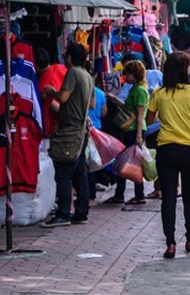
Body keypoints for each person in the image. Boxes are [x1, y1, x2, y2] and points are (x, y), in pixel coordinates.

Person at [146, 52, 190, 259]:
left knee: (168, 198)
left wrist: (161, 110)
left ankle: (170, 243)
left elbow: (150, 120)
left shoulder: (159, 93)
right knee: (189, 197)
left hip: (166, 150)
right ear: (185, 70)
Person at [40, 43, 96, 228]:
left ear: (70, 57)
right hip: (81, 131)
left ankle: (63, 213)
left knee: (63, 173)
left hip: (70, 131)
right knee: (80, 173)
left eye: (66, 55)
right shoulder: (88, 76)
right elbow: (92, 105)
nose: (64, 58)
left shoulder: (73, 73)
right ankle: (81, 212)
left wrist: (51, 92)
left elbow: (63, 97)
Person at [105, 60, 149, 205]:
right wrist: (116, 101)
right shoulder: (135, 89)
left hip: (135, 130)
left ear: (134, 74)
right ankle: (122, 193)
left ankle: (137, 194)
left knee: (133, 163)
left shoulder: (140, 91)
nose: (125, 76)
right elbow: (129, 107)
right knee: (125, 161)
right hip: (130, 130)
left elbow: (139, 113)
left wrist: (138, 136)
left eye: (127, 73)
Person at [35, 47, 67, 137]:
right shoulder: (62, 67)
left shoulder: (41, 85)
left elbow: (57, 108)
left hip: (57, 128)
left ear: (36, 67)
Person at [87, 84, 107, 204]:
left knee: (87, 163)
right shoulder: (100, 92)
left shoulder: (80, 90)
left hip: (87, 129)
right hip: (98, 129)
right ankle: (91, 193)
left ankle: (90, 195)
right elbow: (104, 112)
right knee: (93, 161)